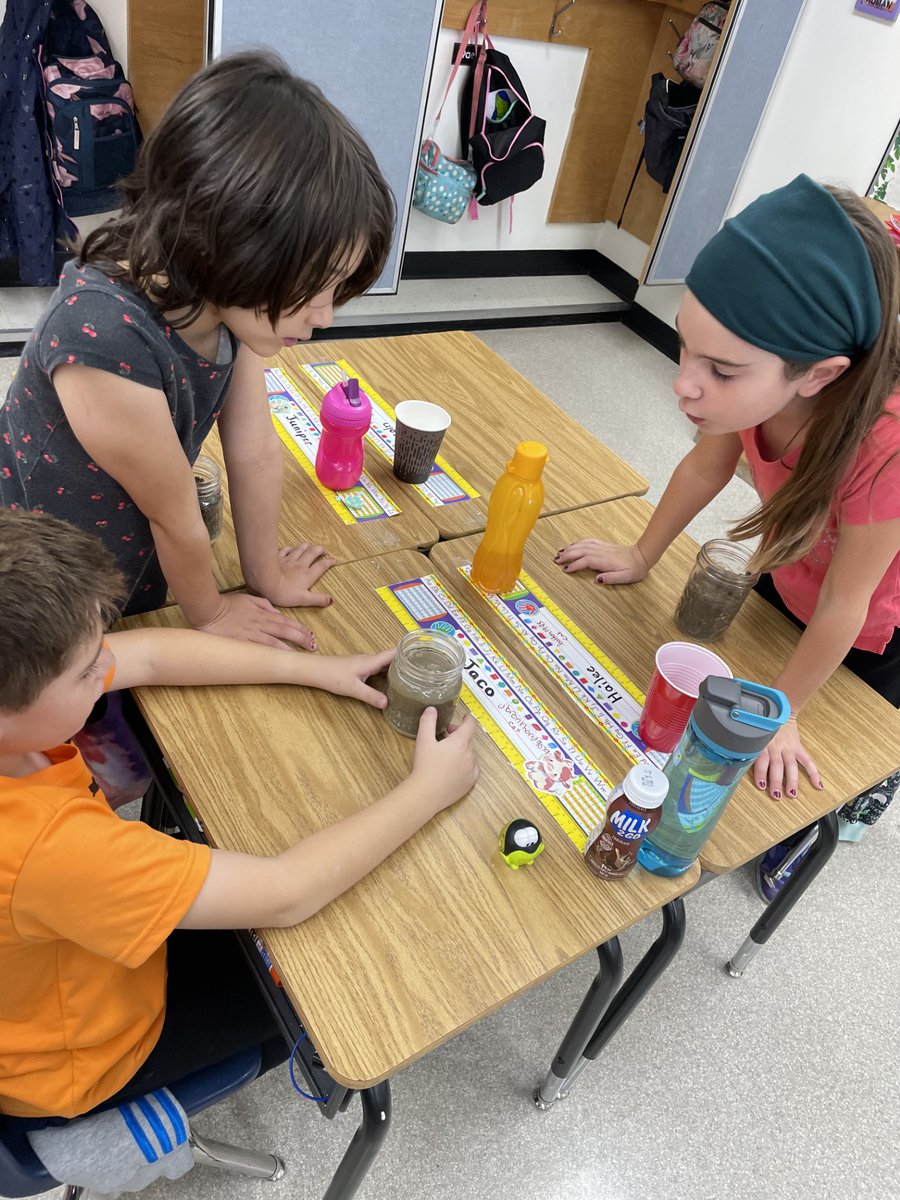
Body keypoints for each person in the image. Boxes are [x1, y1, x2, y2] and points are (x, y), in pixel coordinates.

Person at [0, 507, 479, 1120]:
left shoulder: (22, 690)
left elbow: (143, 656)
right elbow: (285, 891)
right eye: (87, 672)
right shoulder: (49, 851)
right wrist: (427, 791)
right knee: (333, 992)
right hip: (79, 1059)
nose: (105, 668)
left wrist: (311, 670)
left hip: (49, 966)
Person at [0, 50, 395, 649]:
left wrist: (263, 575)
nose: (325, 315)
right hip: (43, 584)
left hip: (130, 546)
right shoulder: (102, 336)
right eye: (315, 286)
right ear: (228, 239)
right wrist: (209, 614)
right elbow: (176, 515)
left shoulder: (222, 297)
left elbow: (256, 449)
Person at [555, 176, 900, 852]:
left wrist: (782, 711)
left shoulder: (885, 445)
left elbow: (846, 603)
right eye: (686, 345)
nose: (686, 382)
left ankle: (874, 790)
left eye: (721, 369)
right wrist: (642, 553)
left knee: (838, 759)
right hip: (790, 569)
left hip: (873, 630)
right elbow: (705, 468)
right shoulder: (746, 397)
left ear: (819, 375)